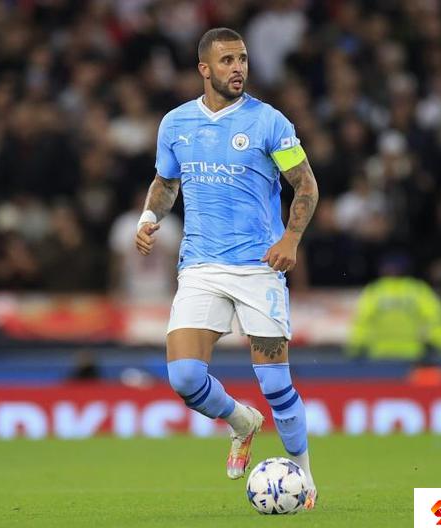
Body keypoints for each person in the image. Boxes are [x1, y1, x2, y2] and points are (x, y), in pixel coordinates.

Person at [135, 28, 319, 509]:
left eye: (242, 59)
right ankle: (240, 420)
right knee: (184, 378)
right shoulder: (176, 123)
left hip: (258, 266)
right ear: (204, 69)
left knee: (275, 384)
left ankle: (304, 476)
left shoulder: (269, 122)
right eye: (227, 61)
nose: (238, 68)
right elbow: (165, 182)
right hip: (200, 266)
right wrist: (150, 217)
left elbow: (305, 185)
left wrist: (290, 239)